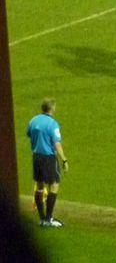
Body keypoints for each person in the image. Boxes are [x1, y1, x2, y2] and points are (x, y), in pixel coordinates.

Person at [27, 98, 69, 228]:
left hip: (36, 157)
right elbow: (57, 143)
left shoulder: (33, 120)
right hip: (48, 158)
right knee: (54, 185)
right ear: (52, 108)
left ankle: (42, 218)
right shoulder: (52, 124)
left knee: (39, 186)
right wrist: (64, 159)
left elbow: (29, 134)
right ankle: (49, 218)